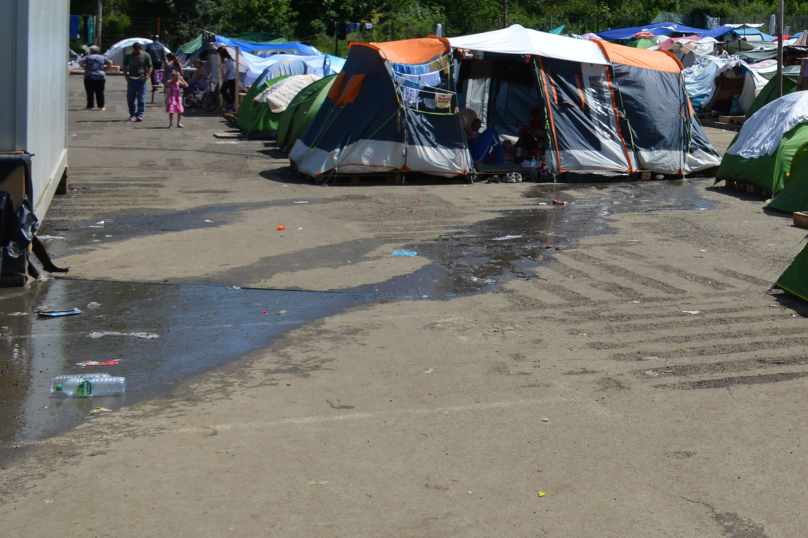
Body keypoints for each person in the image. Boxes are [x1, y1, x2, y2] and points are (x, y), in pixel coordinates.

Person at [123, 42, 153, 121]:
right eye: (135, 50)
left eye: (137, 50)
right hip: (131, 80)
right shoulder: (129, 55)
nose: (136, 52)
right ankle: (132, 114)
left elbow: (150, 66)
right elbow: (124, 66)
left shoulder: (145, 55)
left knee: (141, 98)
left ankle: (139, 114)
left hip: (141, 80)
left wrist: (147, 76)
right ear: (133, 49)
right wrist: (126, 76)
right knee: (130, 98)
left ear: (140, 49)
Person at [78, 45, 112, 110]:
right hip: (100, 76)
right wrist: (106, 69)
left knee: (90, 92)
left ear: (91, 51)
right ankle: (101, 106)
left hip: (89, 76)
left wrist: (85, 68)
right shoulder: (102, 57)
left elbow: (80, 61)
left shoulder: (88, 57)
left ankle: (90, 106)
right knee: (100, 92)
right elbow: (110, 62)